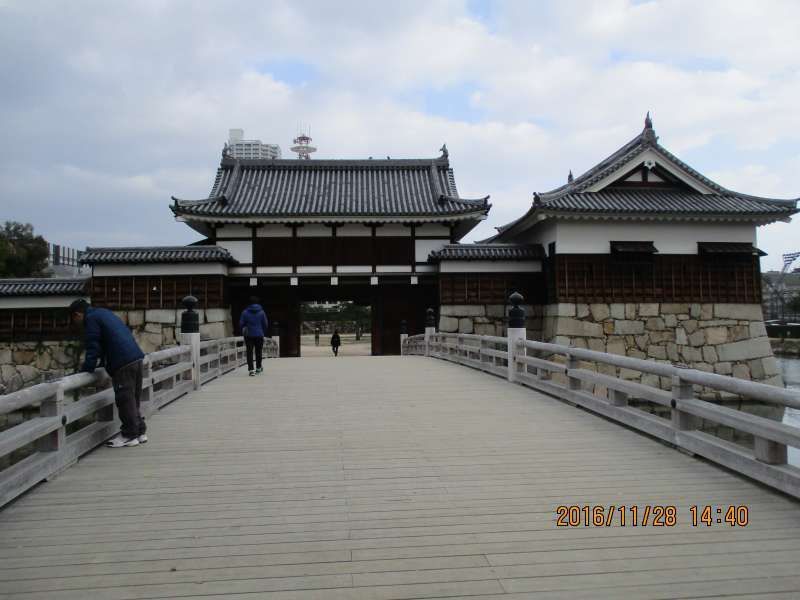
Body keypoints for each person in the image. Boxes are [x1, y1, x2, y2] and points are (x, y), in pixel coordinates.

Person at [70, 299, 147, 448]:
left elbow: (94, 345)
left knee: (125, 399)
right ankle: (140, 432)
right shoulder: (103, 313)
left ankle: (129, 435)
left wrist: (88, 368)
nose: (76, 323)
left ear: (78, 314)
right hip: (135, 357)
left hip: (122, 362)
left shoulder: (90, 319)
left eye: (74, 319)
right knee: (133, 398)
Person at [239, 296, 269, 376]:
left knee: (249, 352)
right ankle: (258, 368)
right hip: (259, 334)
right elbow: (265, 324)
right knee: (258, 352)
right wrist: (263, 332)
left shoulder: (245, 312)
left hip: (248, 335)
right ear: (258, 303)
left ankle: (251, 370)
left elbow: (241, 324)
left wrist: (244, 327)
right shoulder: (262, 312)